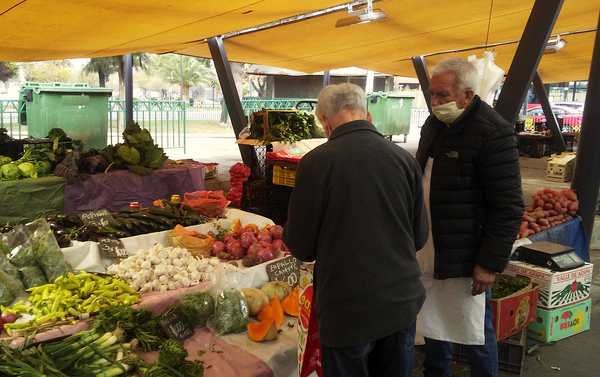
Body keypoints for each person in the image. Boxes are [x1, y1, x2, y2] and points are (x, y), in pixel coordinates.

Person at [282, 83, 429, 377]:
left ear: (324, 121)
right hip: (401, 305)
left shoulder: (316, 163)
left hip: (348, 312)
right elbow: (419, 237)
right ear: (368, 115)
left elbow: (301, 247)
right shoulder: (404, 160)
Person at [414, 57, 525, 377]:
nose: (435, 102)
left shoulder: (493, 133)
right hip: (429, 246)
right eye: (432, 94)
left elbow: (508, 206)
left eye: (442, 95)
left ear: (467, 95)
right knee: (433, 322)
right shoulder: (434, 125)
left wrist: (489, 263)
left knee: (475, 329)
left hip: (466, 253)